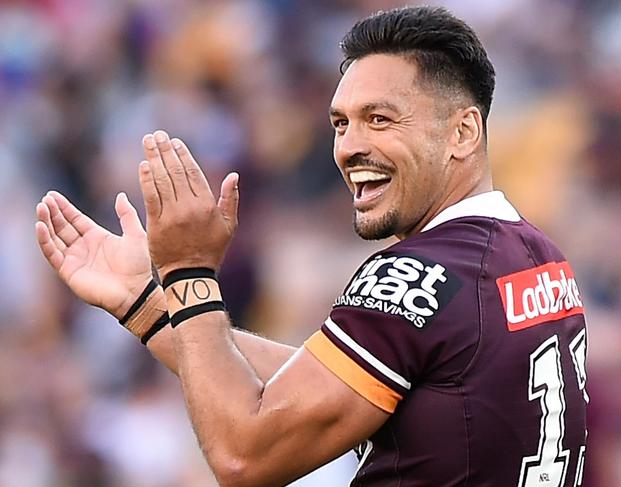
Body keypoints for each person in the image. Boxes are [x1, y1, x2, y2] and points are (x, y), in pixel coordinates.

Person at [35, 6, 588, 487]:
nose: (349, 147)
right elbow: (322, 386)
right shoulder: (536, 253)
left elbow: (244, 457)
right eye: (341, 124)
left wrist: (188, 271)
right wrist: (149, 304)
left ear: (463, 133)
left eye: (380, 120)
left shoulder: (420, 273)